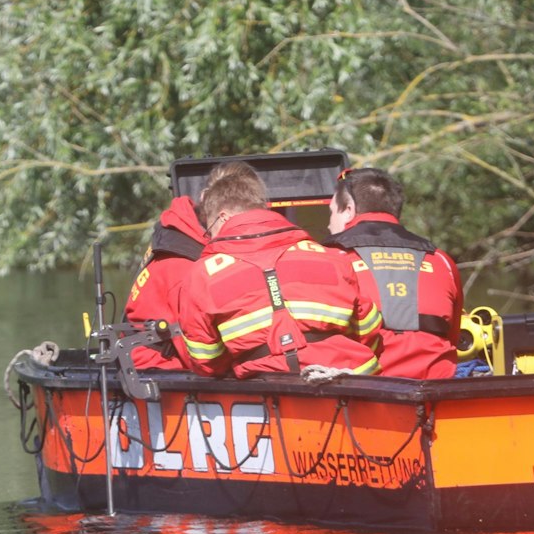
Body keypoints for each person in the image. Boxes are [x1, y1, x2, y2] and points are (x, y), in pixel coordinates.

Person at [178, 162, 384, 378]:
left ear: (223, 218)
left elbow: (206, 361)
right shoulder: (332, 257)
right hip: (351, 387)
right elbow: (369, 329)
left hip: (269, 394)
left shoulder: (202, 275)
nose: (210, 238)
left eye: (209, 229)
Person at [324, 167, 464, 379]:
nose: (328, 224)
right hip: (436, 397)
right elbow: (452, 337)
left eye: (332, 212)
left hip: (366, 396)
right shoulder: (442, 260)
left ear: (349, 210)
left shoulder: (330, 258)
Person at [122, 195, 209, 369]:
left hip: (145, 356)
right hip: (156, 369)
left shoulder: (178, 236)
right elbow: (200, 360)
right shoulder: (183, 265)